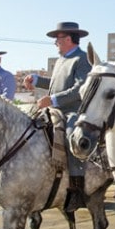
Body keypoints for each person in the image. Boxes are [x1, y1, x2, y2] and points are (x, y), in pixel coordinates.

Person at [22, 21, 91, 212]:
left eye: (58, 39)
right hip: (55, 110)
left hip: (73, 112)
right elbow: (55, 83)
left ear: (68, 39)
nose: (55, 43)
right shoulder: (61, 60)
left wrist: (52, 100)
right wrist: (36, 80)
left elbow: (79, 90)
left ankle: (77, 190)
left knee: (71, 137)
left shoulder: (82, 59)